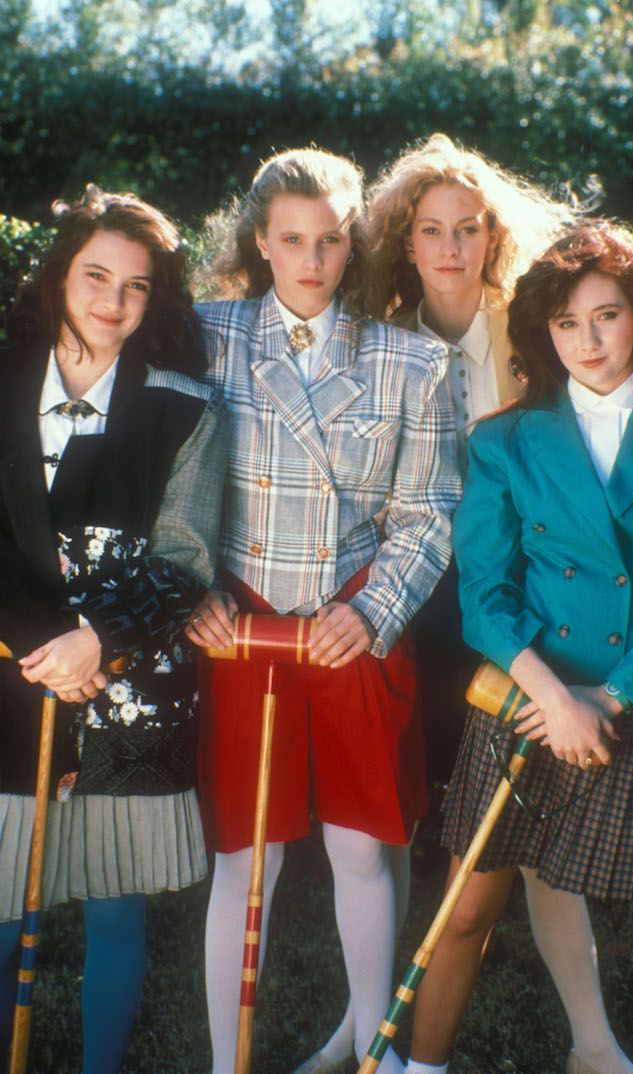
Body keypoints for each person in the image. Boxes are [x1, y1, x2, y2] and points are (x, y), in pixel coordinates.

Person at [360, 136, 633, 1074]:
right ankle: (371, 1020)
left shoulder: (529, 331)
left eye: (467, 229)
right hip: (403, 600)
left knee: (527, 806)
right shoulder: (376, 331)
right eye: (428, 229)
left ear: (492, 235)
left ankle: (591, 1037)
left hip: (512, 604)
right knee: (400, 810)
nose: (448, 247)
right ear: (403, 240)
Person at [187, 146, 460, 1074]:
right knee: (244, 860)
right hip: (242, 621)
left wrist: (376, 607)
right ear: (261, 241)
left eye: (331, 242)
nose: (311, 261)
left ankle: (375, 1052)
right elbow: (167, 487)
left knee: (359, 849)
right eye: (292, 240)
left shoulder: (412, 361)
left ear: (355, 246)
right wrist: (194, 588)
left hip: (350, 625)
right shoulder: (205, 334)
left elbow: (430, 512)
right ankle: (231, 1063)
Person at [443, 219, 633, 1074]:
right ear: (541, 334)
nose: (588, 342)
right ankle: (418, 1066)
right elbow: (484, 596)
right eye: (565, 324)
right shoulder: (504, 440)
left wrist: (620, 696)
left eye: (605, 316)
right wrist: (555, 698)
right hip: (529, 700)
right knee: (462, 913)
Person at [0, 185, 225, 1074]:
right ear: (61, 276)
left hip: (129, 690)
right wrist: (44, 646)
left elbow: (186, 558)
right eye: (95, 275)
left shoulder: (187, 409)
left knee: (114, 907)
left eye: (136, 287)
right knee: (5, 898)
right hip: (13, 677)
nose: (111, 301)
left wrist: (100, 642)